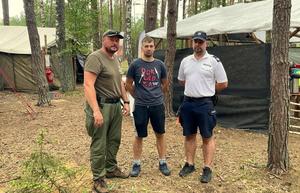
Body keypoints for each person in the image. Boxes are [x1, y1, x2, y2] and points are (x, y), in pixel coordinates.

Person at [177, 31, 228, 183]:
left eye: (201, 42)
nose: (198, 44)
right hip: (188, 103)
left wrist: (207, 89)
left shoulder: (214, 61)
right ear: (192, 42)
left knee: (207, 136)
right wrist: (194, 87)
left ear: (206, 43)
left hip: (205, 103)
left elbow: (223, 83)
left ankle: (207, 168)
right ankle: (189, 164)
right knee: (189, 135)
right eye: (195, 41)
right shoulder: (186, 61)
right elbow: (181, 80)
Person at [84, 30, 130, 193]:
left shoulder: (115, 58)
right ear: (103, 40)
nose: (115, 43)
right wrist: (96, 111)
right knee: (99, 143)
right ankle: (98, 179)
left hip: (115, 106)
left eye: (117, 40)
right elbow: (88, 85)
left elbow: (120, 83)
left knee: (114, 139)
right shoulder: (95, 58)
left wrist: (126, 101)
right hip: (101, 106)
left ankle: (111, 169)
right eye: (111, 39)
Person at [126, 36, 171, 177]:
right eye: (146, 46)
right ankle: (136, 163)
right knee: (139, 135)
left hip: (157, 105)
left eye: (151, 46)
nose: (149, 48)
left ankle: (162, 162)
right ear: (142, 48)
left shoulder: (160, 65)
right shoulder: (135, 65)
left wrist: (157, 95)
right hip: (140, 105)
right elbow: (128, 84)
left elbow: (165, 84)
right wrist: (138, 96)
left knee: (160, 134)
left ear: (154, 48)